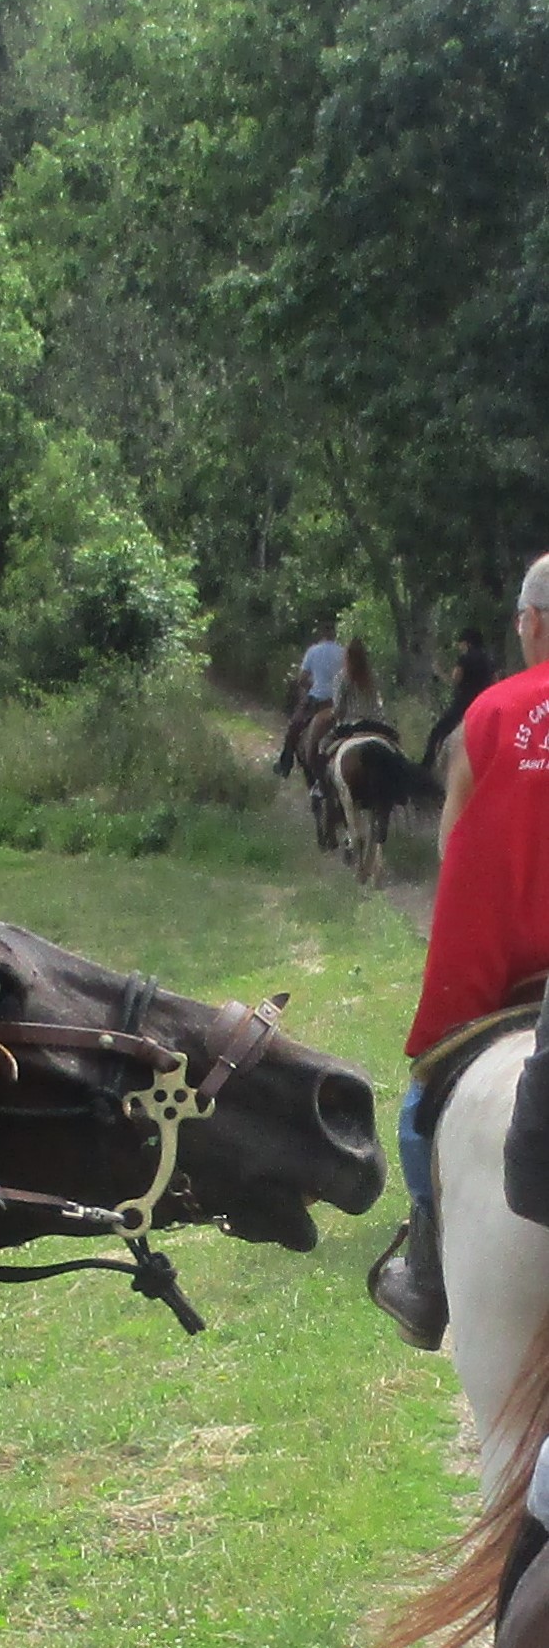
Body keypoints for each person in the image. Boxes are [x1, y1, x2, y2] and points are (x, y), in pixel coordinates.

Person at [369, 558, 549, 1346]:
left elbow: (456, 855)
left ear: (532, 622)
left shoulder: (489, 715)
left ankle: (428, 1276)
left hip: (516, 967)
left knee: (423, 1107)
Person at [275, 615, 347, 777]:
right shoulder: (343, 653)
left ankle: (285, 763)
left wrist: (310, 687)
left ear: (321, 633)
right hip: (339, 702)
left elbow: (302, 678)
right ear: (335, 633)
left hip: (318, 700)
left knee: (294, 726)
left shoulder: (313, 651)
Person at [424, 626, 500, 769]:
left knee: (437, 732)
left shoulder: (465, 658)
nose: (460, 647)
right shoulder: (489, 659)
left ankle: (425, 767)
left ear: (467, 643)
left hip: (463, 705)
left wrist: (439, 672)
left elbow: (455, 679)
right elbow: (496, 682)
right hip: (484, 705)